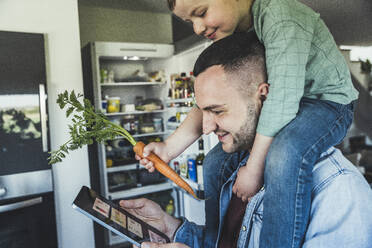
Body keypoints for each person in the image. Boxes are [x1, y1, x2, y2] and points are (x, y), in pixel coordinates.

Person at [137, 0, 359, 247]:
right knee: (214, 161)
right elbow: (210, 102)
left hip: (325, 103)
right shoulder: (243, 33)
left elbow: (282, 100)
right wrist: (168, 148)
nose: (197, 28)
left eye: (201, 13)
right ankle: (215, 241)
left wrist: (254, 169)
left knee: (284, 153)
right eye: (190, 22)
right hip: (289, 103)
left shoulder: (280, 15)